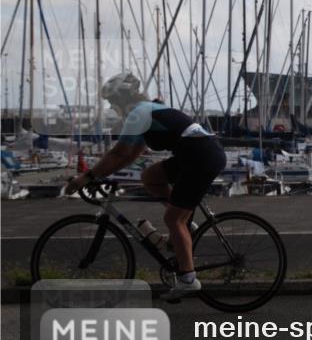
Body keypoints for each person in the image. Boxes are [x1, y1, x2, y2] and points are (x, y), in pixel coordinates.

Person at [65, 73, 227, 301]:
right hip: (195, 153)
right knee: (150, 176)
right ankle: (185, 225)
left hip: (199, 156)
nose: (111, 106)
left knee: (173, 219)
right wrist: (101, 175)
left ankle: (188, 279)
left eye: (112, 101)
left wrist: (87, 176)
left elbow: (119, 153)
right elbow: (129, 156)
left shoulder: (138, 113)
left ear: (122, 98)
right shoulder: (146, 111)